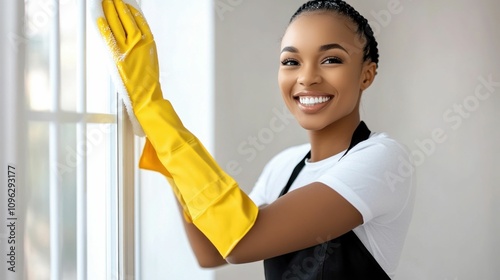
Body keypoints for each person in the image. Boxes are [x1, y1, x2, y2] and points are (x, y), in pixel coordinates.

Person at [93, 0, 415, 279]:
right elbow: (212, 250)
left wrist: (155, 110)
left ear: (366, 74)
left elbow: (242, 240)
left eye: (331, 59)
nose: (306, 77)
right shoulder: (284, 166)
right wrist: (162, 141)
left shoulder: (383, 159)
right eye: (291, 61)